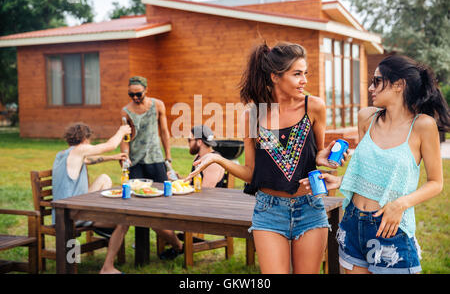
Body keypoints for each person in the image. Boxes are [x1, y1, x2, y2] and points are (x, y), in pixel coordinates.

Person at [185, 42, 346, 274]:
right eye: (297, 74)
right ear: (275, 77)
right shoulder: (253, 115)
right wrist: (218, 160)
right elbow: (251, 173)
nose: (304, 80)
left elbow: (316, 154)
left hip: (309, 207)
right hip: (269, 211)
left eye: (305, 74)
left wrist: (326, 158)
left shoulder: (314, 106)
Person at [301, 54, 448, 274]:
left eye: (377, 81)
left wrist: (401, 204)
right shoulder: (366, 118)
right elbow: (367, 172)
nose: (371, 87)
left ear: (399, 85)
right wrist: (340, 180)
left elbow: (436, 182)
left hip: (391, 229)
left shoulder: (422, 126)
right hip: (352, 221)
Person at [52, 122, 132, 274]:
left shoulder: (64, 154)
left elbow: (89, 160)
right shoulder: (80, 150)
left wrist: (113, 157)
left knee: (104, 178)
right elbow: (110, 145)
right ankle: (107, 268)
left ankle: (104, 221)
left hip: (64, 213)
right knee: (124, 221)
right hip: (72, 216)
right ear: (85, 138)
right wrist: (122, 131)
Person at [120, 76, 183, 260]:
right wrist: (125, 157)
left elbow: (164, 131)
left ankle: (169, 238)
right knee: (137, 202)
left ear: (146, 90)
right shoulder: (125, 111)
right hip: (136, 161)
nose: (135, 98)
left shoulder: (158, 105)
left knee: (164, 198)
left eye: (138, 94)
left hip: (155, 158)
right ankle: (142, 246)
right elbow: (125, 138)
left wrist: (168, 156)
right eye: (131, 95)